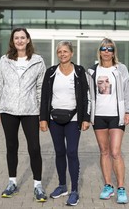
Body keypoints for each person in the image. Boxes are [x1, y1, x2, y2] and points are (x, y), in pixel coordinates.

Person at [0, 27, 48, 202]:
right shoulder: (4, 60)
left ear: (28, 40)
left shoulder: (38, 61)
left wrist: (42, 114)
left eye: (23, 37)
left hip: (30, 111)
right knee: (11, 147)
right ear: (12, 41)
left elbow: (41, 88)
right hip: (8, 110)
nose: (20, 41)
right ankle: (12, 183)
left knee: (34, 148)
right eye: (16, 38)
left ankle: (38, 185)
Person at [40, 41, 90, 206]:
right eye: (59, 51)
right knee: (59, 152)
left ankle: (74, 190)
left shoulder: (79, 71)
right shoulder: (51, 72)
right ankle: (62, 186)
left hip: (74, 119)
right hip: (54, 119)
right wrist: (43, 118)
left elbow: (85, 97)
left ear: (71, 53)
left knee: (72, 152)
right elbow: (45, 97)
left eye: (65, 51)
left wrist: (86, 118)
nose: (62, 54)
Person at [87, 38, 129, 204]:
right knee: (104, 151)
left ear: (114, 52)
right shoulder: (92, 70)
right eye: (103, 48)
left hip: (117, 116)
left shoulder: (121, 69)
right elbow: (88, 94)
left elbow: (128, 91)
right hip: (99, 115)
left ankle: (121, 187)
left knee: (115, 152)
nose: (107, 51)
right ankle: (108, 186)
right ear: (99, 51)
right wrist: (87, 115)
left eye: (110, 49)